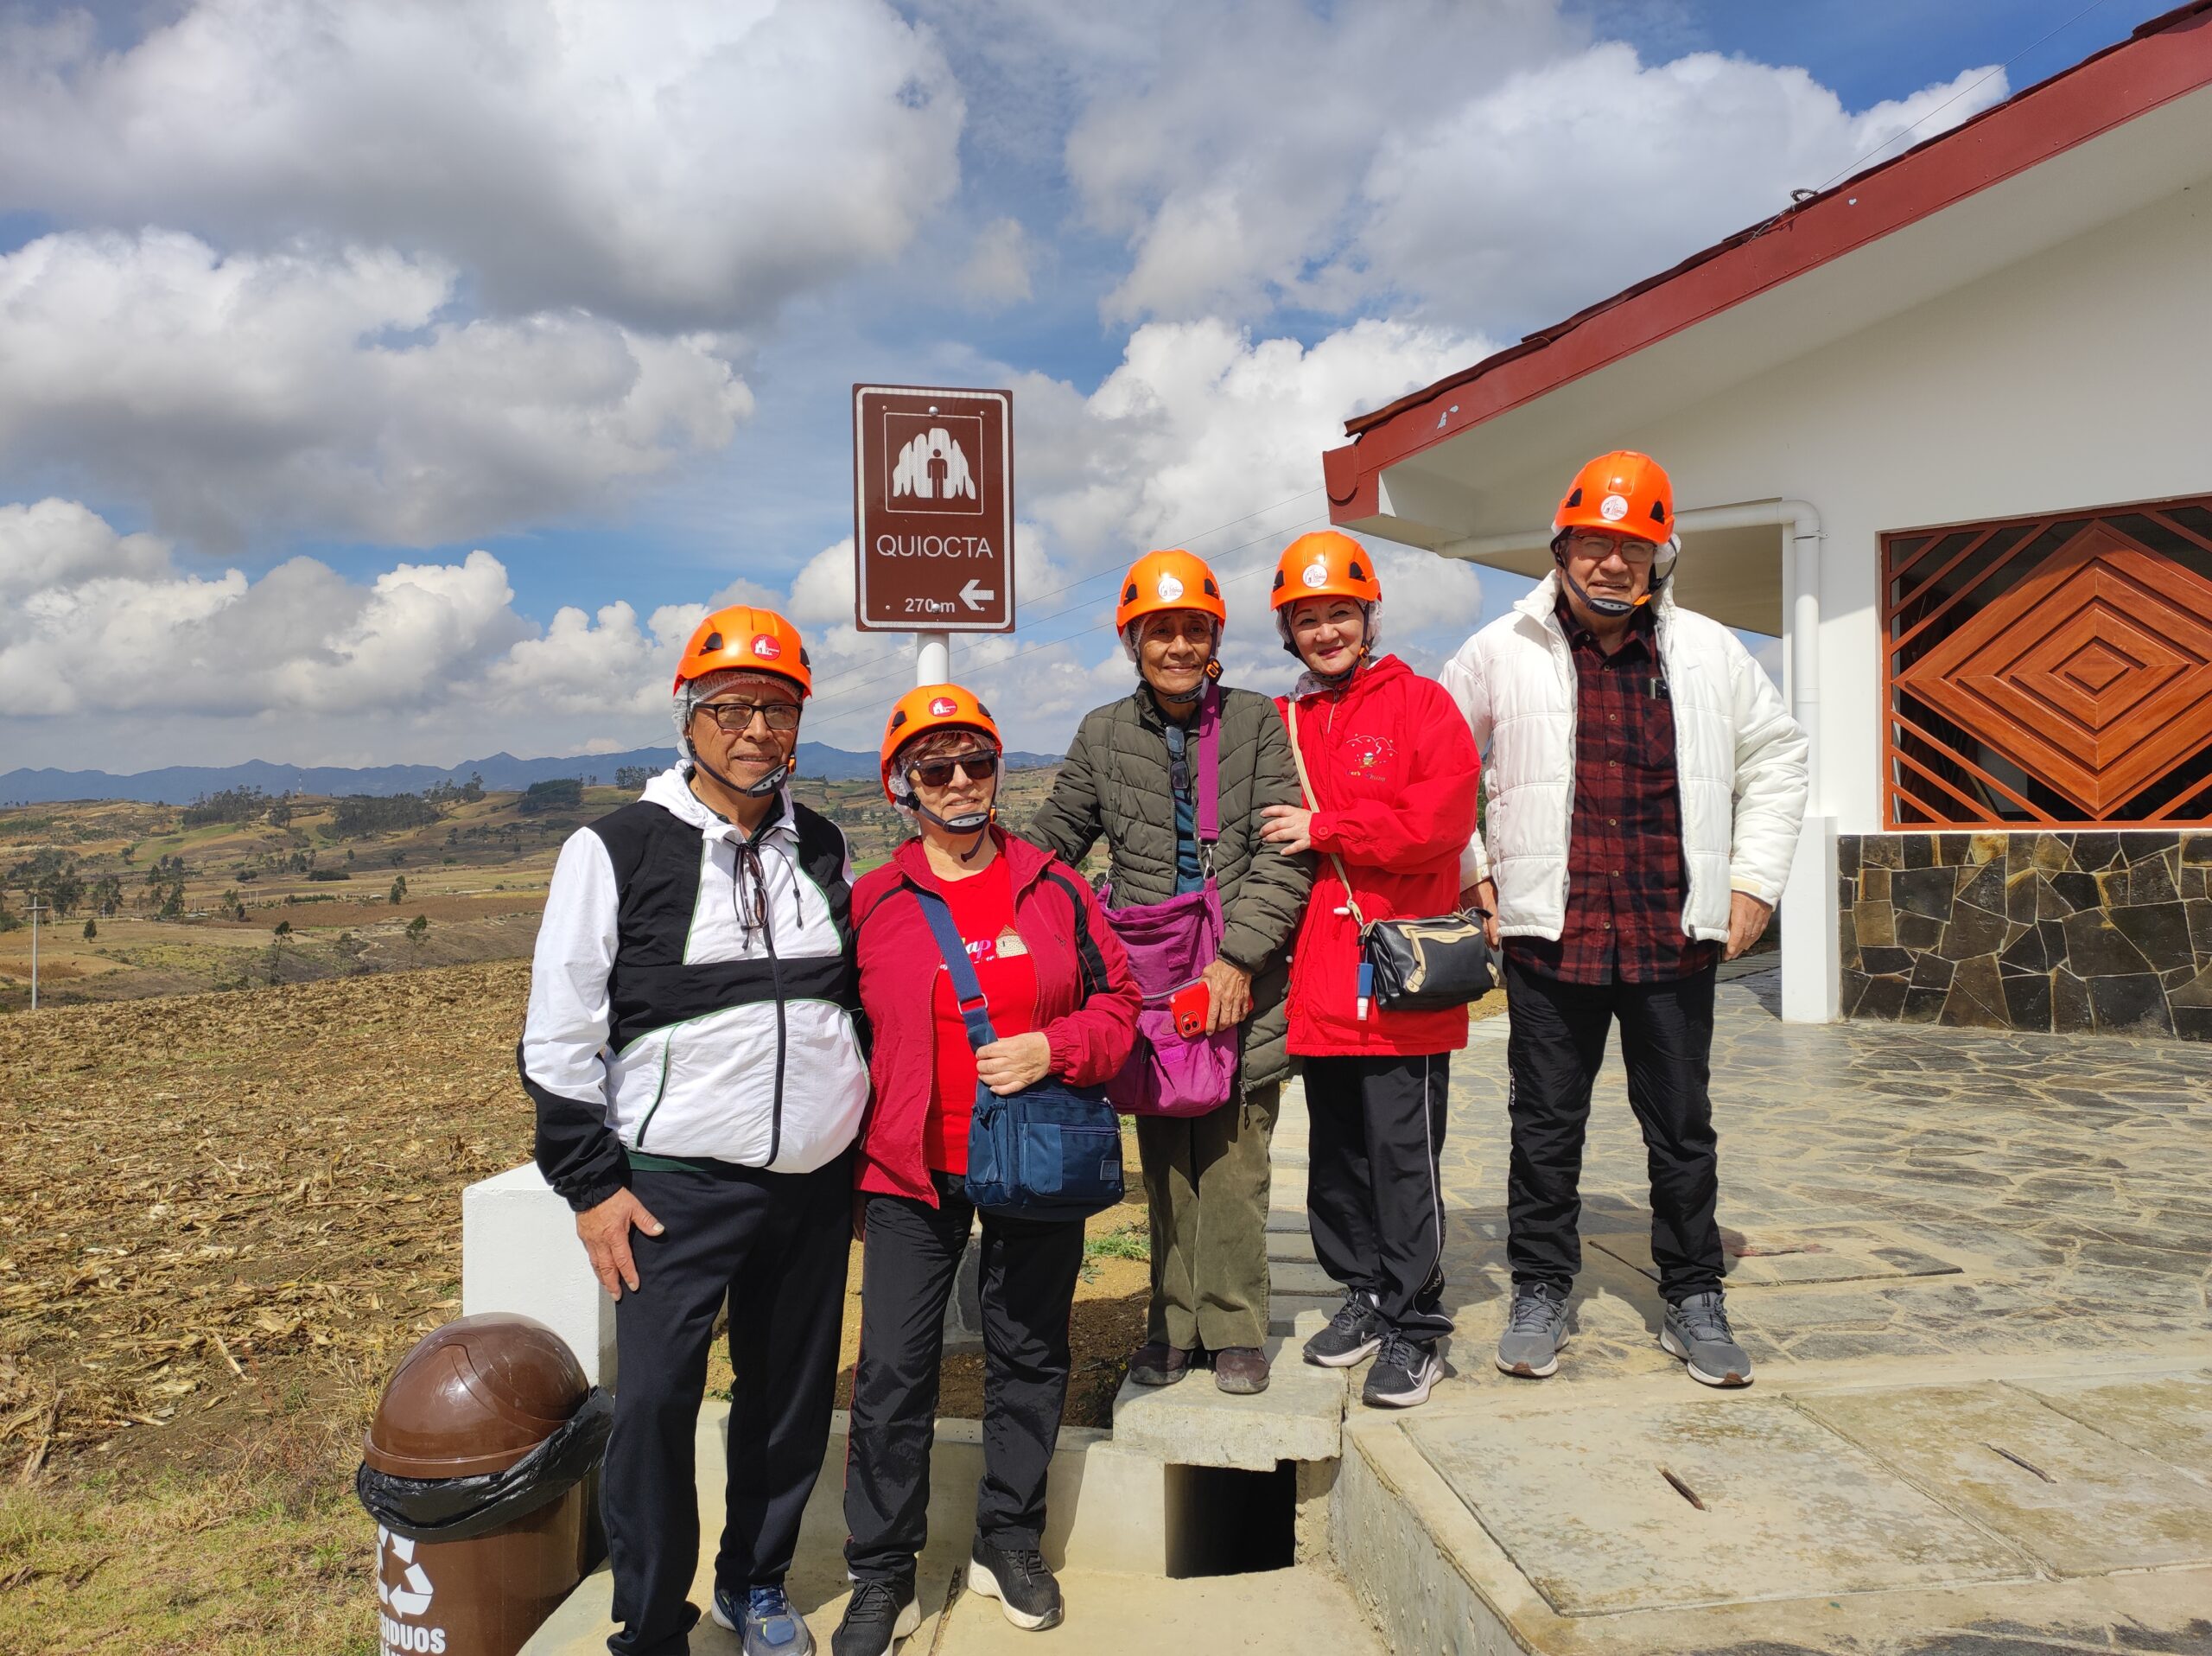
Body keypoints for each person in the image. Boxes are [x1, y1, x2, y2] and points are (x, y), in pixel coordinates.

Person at [521, 605, 868, 1656]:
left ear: (799, 720)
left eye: (777, 706)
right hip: (671, 1186)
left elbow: (841, 1004)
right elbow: (559, 1031)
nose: (755, 728)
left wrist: (849, 1144)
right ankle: (649, 1617)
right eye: (730, 707)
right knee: (659, 1406)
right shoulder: (618, 846)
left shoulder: (819, 840)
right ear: (690, 716)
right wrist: (590, 1185)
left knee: (788, 1394)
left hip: (809, 1183)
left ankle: (754, 1583)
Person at [1440, 451, 1807, 1390]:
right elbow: (1440, 765)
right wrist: (1471, 871)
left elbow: (1776, 758)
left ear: (1660, 558)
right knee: (1544, 1126)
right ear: (1559, 548)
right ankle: (1540, 1285)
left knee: (1681, 1127)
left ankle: (1691, 1291)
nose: (1612, 563)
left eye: (1632, 547)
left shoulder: (1709, 652)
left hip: (1670, 933)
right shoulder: (1499, 650)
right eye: (1594, 544)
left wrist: (1755, 882)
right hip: (1546, 933)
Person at [839, 685, 1141, 1653]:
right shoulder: (875, 903)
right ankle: (880, 1571)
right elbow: (837, 1037)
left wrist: (1054, 1048)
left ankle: (1008, 1539)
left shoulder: (1055, 883)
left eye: (977, 762)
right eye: (937, 767)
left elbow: (1121, 1003)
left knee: (1028, 1354)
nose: (962, 782)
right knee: (891, 1372)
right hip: (908, 1172)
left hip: (1036, 1162)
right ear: (903, 785)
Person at [1028, 551, 1313, 1395]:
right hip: (1150, 982)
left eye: (1194, 628)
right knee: (1165, 1156)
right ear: (1133, 640)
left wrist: (1237, 958)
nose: (1179, 644)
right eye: (1162, 630)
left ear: (1215, 636)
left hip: (1243, 978)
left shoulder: (1258, 721)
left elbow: (1282, 855)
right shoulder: (1103, 733)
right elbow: (1056, 837)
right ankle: (1168, 1321)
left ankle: (1231, 1324)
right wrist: (975, 879)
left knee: (1231, 1159)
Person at [1258, 532, 1481, 1410]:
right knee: (1336, 1156)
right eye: (1307, 618)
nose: (1325, 631)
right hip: (1321, 977)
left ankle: (1416, 1323)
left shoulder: (1422, 705)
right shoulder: (1284, 721)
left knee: (1402, 1157)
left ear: (1367, 614)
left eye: (1339, 613)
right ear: (1288, 629)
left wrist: (1329, 829)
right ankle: (1361, 1294)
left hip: (1401, 978)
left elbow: (1440, 819)